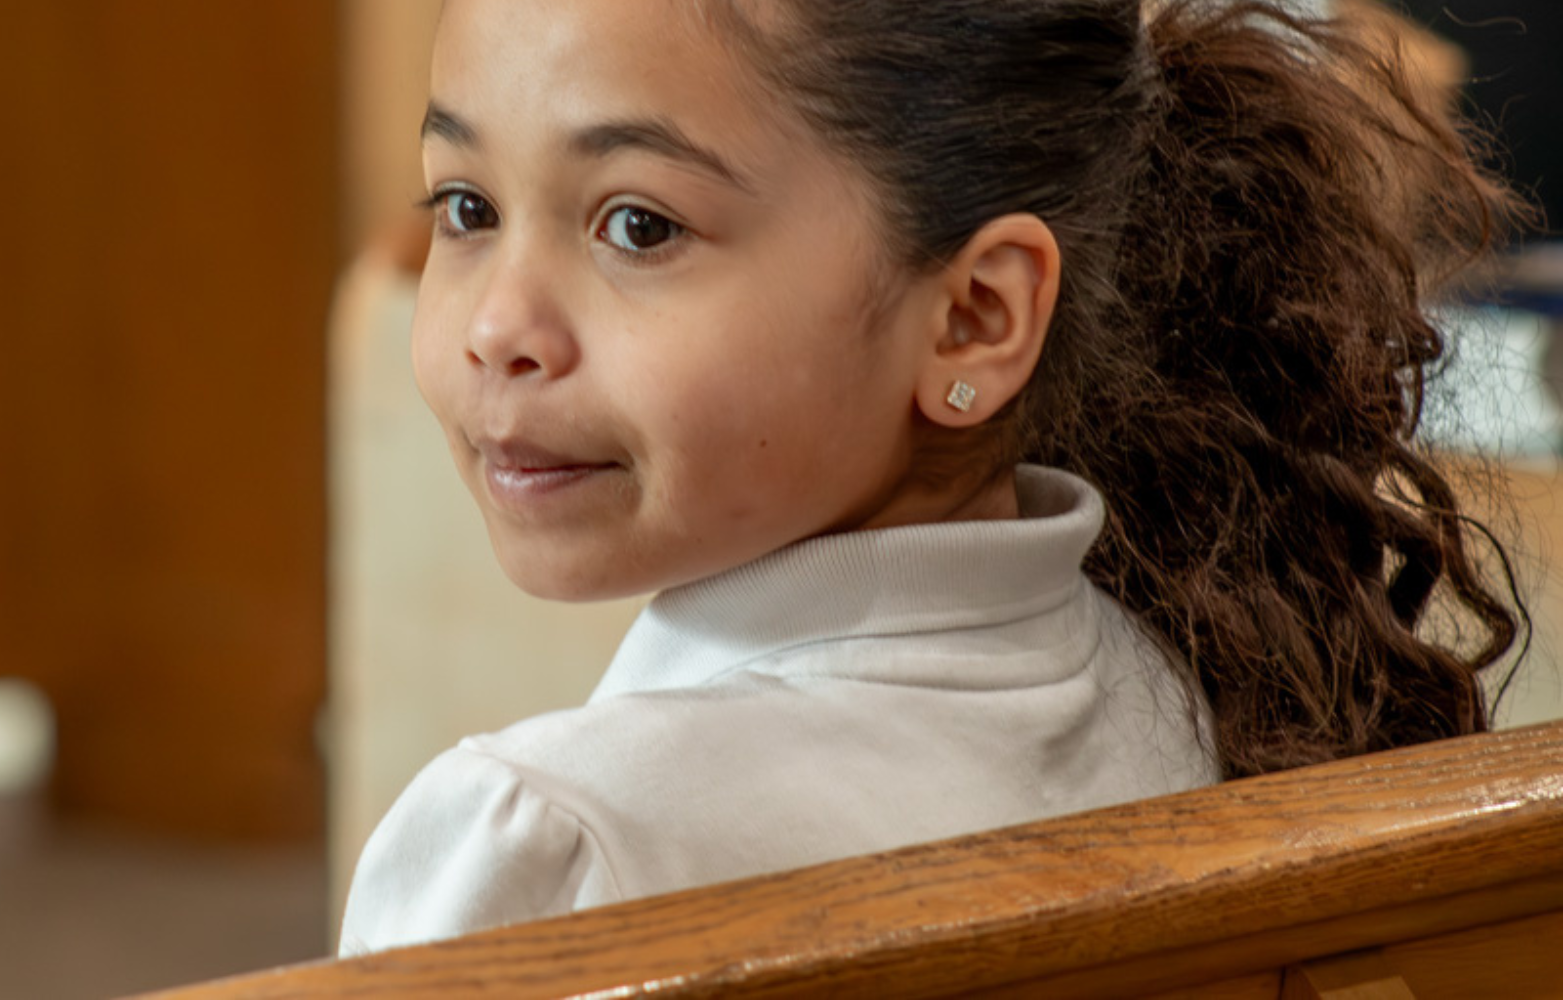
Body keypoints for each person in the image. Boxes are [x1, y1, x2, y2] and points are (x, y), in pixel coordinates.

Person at [339, 0, 1528, 956]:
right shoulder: (1177, 685)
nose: (499, 326)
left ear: (972, 317)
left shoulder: (556, 851)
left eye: (638, 226)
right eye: (466, 206)